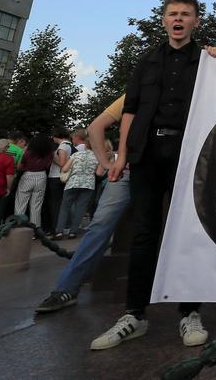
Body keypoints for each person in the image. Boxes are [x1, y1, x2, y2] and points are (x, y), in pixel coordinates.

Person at [91, 0, 216, 351]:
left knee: (187, 232)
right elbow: (131, 111)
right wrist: (121, 155)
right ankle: (134, 314)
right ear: (164, 20)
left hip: (189, 154)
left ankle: (190, 312)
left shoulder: (207, 61)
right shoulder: (147, 60)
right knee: (144, 233)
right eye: (172, 13)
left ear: (196, 21)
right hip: (147, 153)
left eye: (185, 14)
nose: (178, 19)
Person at [36, 96, 133, 314]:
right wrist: (108, 163)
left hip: (145, 170)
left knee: (100, 225)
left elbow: (95, 126)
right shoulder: (142, 87)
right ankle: (68, 286)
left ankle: (67, 287)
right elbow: (96, 126)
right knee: (100, 224)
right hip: (132, 170)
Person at [54, 137, 98, 239]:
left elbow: (64, 169)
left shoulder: (76, 155)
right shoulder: (97, 157)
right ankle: (73, 232)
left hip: (72, 183)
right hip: (88, 184)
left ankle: (59, 231)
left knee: (65, 207)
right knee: (80, 208)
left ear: (86, 145)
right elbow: (99, 172)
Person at [14, 133, 55, 227]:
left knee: (21, 203)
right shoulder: (49, 154)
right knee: (36, 206)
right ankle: (36, 230)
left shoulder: (28, 153)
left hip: (28, 176)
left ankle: (19, 227)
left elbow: (20, 167)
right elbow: (48, 165)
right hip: (41, 176)